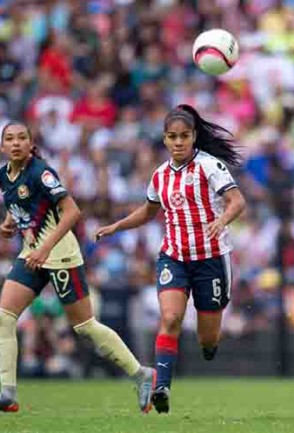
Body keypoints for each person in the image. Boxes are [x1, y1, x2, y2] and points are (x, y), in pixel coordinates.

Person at [0, 122, 156, 413]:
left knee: (84, 326)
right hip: (32, 253)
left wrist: (45, 248)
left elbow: (73, 212)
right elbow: (19, 203)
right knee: (3, 317)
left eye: (22, 138)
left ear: (30, 143)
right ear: (1, 146)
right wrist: (9, 223)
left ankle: (142, 374)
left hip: (60, 254)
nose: (16, 143)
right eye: (10, 139)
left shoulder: (41, 172)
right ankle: (8, 393)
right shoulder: (2, 175)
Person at [95, 104, 246, 414]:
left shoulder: (209, 166)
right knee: (170, 318)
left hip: (211, 260)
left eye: (184, 136)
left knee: (207, 338)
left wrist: (222, 220)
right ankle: (161, 386)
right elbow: (149, 211)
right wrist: (118, 225)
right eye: (172, 137)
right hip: (173, 257)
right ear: (164, 140)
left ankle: (208, 346)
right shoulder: (160, 175)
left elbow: (237, 201)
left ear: (193, 137)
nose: (178, 142)